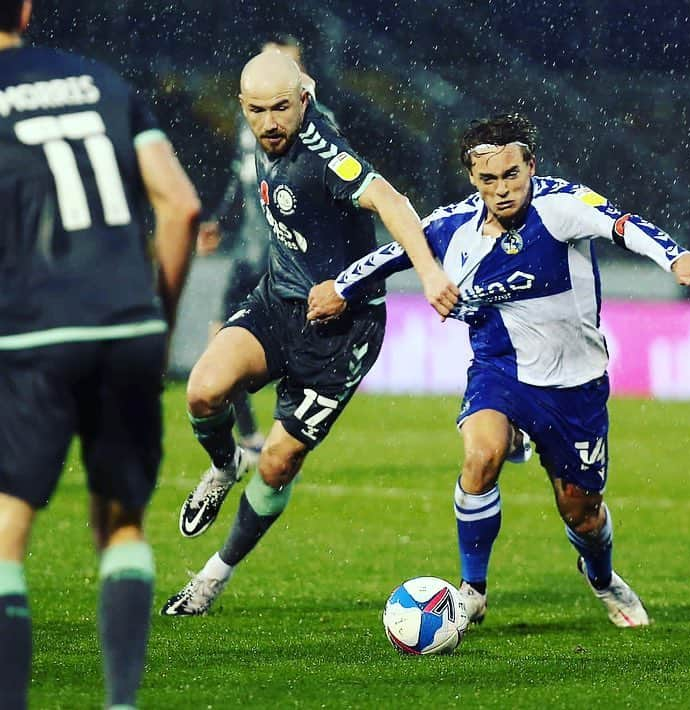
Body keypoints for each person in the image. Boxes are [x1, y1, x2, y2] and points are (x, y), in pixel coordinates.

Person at [307, 113, 690, 628]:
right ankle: (473, 589)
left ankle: (601, 577)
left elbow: (620, 224)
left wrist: (675, 257)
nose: (502, 189)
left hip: (575, 384)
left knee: (582, 511)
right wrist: (339, 289)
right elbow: (397, 251)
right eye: (488, 179)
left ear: (531, 165)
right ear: (472, 178)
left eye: (512, 174)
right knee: (480, 456)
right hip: (499, 370)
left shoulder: (561, 207)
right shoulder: (453, 227)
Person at [161, 50, 458, 615]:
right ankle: (226, 466)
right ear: (242, 105)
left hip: (342, 331)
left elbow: (391, 201)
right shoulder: (278, 116)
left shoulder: (326, 154)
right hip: (279, 300)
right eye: (256, 111)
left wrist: (429, 271)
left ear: (302, 102)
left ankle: (210, 580)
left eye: (281, 109)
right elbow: (300, 82)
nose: (270, 123)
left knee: (277, 463)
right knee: (202, 390)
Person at [0, 0, 200, 705]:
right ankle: (121, 702)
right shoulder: (101, 82)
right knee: (120, 522)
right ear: (26, 8)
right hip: (126, 328)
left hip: (32, 333)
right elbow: (180, 207)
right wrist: (161, 322)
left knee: (5, 532)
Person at [194, 36, 330, 460]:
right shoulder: (250, 124)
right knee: (219, 341)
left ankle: (281, 434)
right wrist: (219, 219)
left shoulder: (318, 125)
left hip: (288, 258)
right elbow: (241, 180)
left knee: (293, 349)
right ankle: (250, 436)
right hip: (250, 252)